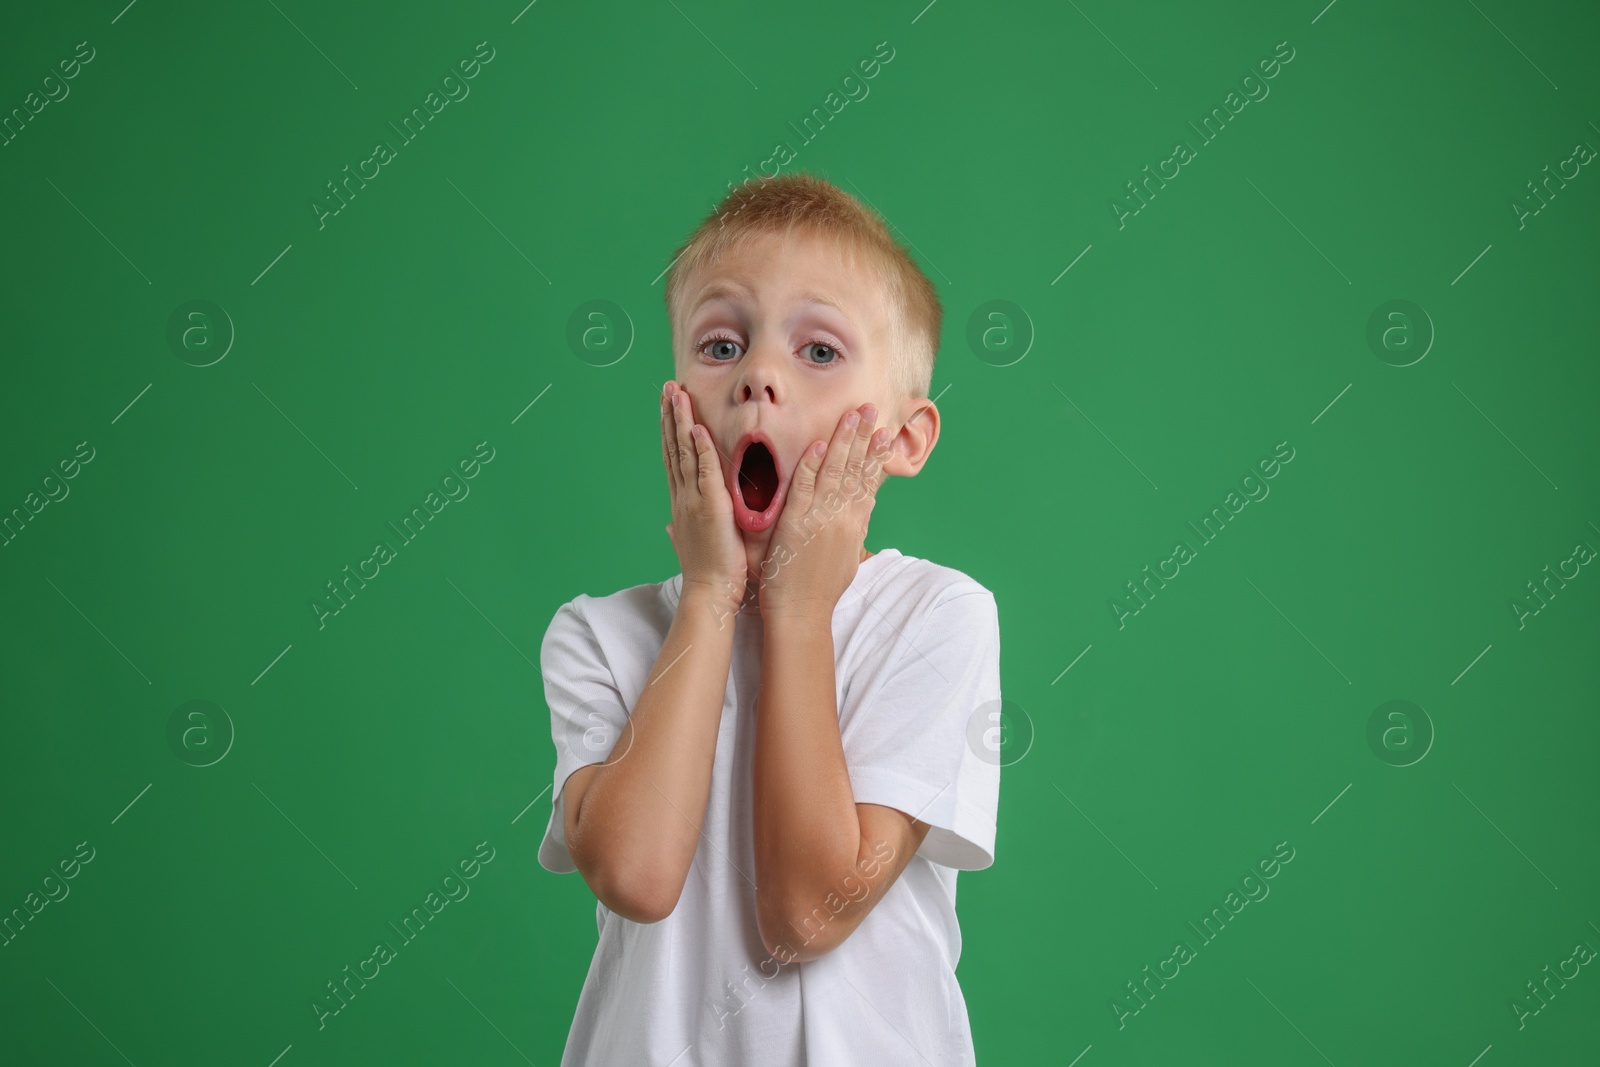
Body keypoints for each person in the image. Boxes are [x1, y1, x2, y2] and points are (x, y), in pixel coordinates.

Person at [537, 171, 1003, 1066]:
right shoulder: (597, 634)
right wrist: (711, 595)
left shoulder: (937, 616)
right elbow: (635, 875)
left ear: (904, 438)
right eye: (719, 345)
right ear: (674, 403)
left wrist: (795, 607)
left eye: (818, 352)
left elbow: (807, 912)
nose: (757, 376)